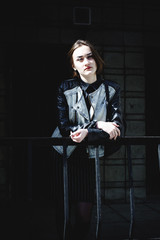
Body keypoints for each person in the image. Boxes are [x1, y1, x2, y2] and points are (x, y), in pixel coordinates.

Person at [52, 39, 123, 240]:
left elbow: (117, 129)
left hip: (89, 157)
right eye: (80, 58)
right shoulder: (65, 88)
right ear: (74, 65)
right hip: (63, 155)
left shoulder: (111, 90)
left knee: (84, 216)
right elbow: (65, 127)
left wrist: (89, 134)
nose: (86, 61)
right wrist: (99, 125)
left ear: (97, 60)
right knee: (63, 212)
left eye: (90, 56)